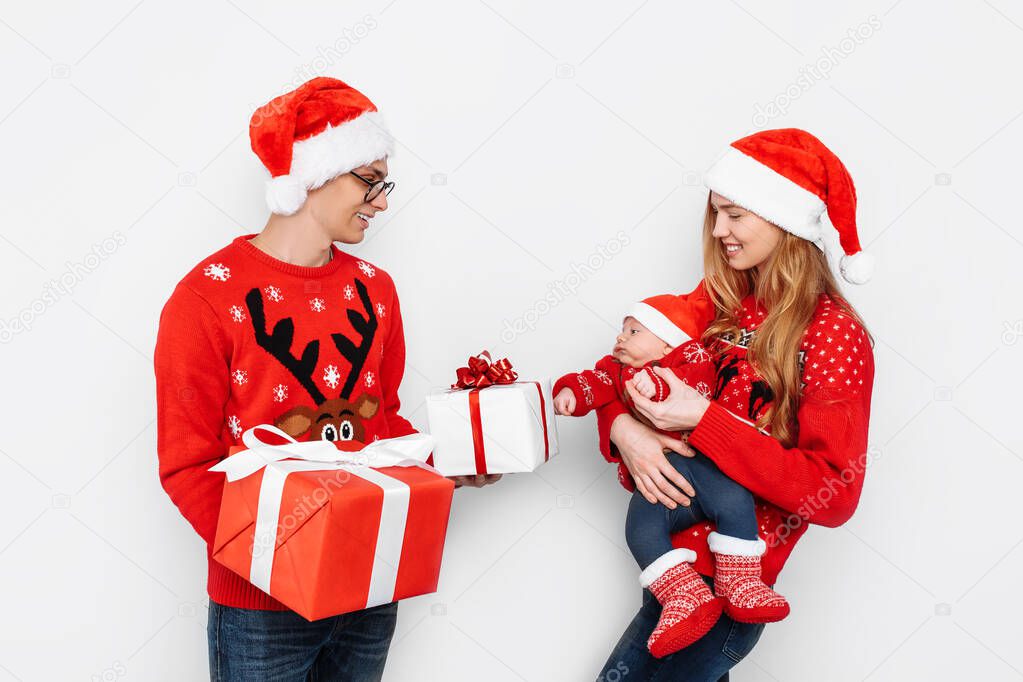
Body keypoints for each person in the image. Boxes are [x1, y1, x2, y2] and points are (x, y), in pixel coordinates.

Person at [154, 77, 499, 682]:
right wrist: (279, 561)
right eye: (369, 180)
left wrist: (446, 464)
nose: (383, 201)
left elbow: (380, 426)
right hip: (264, 608)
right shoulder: (206, 297)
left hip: (369, 588)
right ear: (314, 175)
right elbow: (187, 463)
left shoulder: (377, 291)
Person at [594, 128, 876, 681]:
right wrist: (626, 430)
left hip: (728, 593)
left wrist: (704, 421)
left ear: (784, 219)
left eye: (735, 215)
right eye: (715, 214)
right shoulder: (723, 304)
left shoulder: (831, 334)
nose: (718, 231)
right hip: (672, 578)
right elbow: (618, 371)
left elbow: (836, 494)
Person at [553, 287, 790, 660]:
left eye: (635, 331)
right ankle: (682, 593)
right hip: (664, 484)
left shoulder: (691, 356)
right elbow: (595, 383)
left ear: (667, 345)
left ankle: (741, 579)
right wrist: (570, 393)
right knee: (639, 529)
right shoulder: (617, 371)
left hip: (705, 467)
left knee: (735, 501)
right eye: (622, 329)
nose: (621, 337)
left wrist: (658, 383)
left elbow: (696, 386)